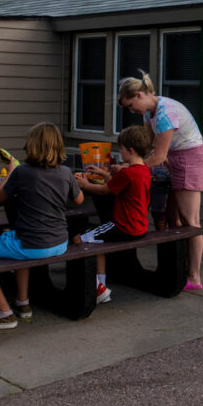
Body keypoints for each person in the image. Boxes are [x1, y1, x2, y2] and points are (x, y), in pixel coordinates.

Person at [0, 122, 83, 331]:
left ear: (32, 146)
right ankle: (23, 303)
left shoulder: (22, 173)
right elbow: (79, 200)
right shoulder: (66, 172)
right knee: (19, 243)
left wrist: (9, 173)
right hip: (59, 242)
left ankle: (4, 313)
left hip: (33, 244)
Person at [117, 71, 203, 291]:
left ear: (140, 95)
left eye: (131, 105)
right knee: (172, 219)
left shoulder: (165, 113)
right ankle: (177, 269)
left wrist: (130, 166)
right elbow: (149, 147)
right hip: (175, 160)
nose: (131, 110)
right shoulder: (150, 113)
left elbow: (158, 157)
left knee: (191, 222)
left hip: (190, 161)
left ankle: (194, 278)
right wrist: (130, 158)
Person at [73, 125, 152, 304]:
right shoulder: (143, 171)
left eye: (122, 149)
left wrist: (84, 184)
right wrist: (103, 173)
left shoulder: (128, 173)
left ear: (130, 150)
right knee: (98, 241)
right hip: (139, 227)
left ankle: (98, 288)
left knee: (78, 240)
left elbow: (103, 191)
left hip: (123, 226)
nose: (120, 152)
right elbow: (117, 185)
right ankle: (100, 287)